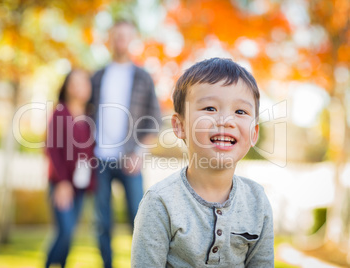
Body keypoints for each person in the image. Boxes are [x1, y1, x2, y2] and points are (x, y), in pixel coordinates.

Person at [131, 58, 274, 267]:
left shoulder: (257, 201)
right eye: (209, 108)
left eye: (240, 111)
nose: (226, 120)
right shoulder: (160, 203)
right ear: (179, 126)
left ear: (254, 133)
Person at [90, 20, 162, 268]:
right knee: (102, 222)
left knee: (138, 219)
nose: (121, 40)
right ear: (110, 39)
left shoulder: (143, 76)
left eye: (125, 35)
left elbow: (155, 119)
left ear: (132, 40)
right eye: (116, 35)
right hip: (98, 159)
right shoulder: (97, 76)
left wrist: (139, 153)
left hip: (131, 159)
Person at [45, 69, 95, 268]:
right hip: (61, 184)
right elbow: (52, 150)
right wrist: (62, 182)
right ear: (66, 87)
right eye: (74, 82)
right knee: (64, 231)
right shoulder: (60, 113)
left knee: (69, 235)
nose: (79, 86)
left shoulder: (90, 116)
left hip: (81, 186)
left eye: (83, 82)